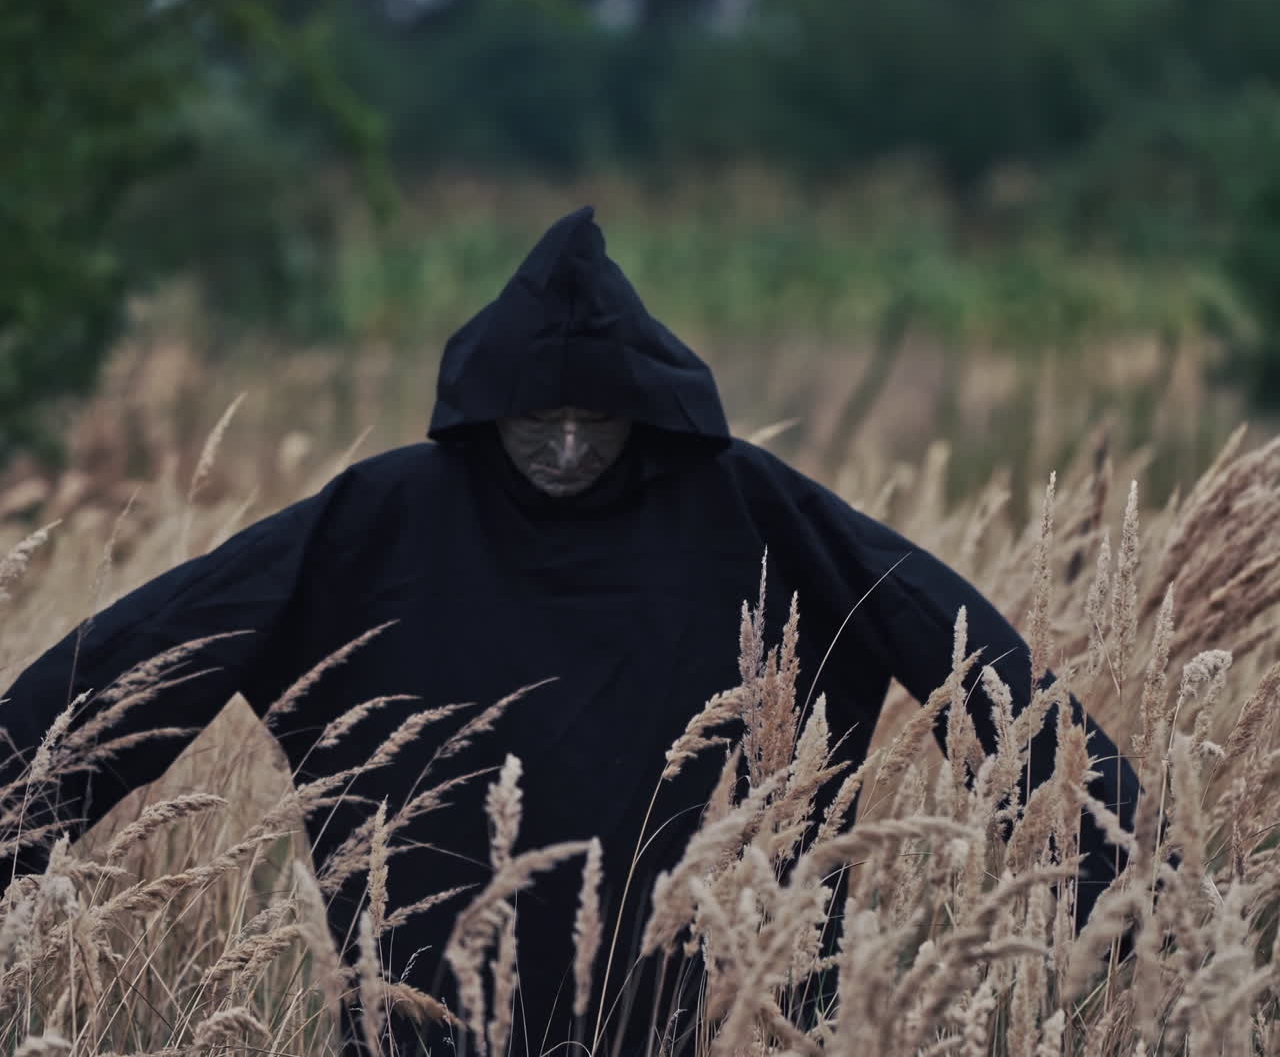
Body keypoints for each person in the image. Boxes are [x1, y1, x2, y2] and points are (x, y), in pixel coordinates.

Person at [0, 208, 1138, 1055]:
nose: (558, 450)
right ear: (486, 411)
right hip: (439, 989)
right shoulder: (381, 515)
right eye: (532, 424)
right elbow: (162, 646)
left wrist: (1119, 881)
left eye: (588, 421)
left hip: (718, 995)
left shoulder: (752, 505)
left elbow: (962, 652)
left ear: (637, 410)